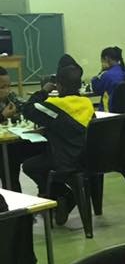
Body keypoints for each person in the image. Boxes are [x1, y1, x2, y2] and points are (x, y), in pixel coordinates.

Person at [21, 63, 94, 222]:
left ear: (59, 86)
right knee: (45, 162)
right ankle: (60, 198)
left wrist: (43, 91)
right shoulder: (87, 103)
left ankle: (64, 195)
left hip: (65, 160)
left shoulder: (55, 105)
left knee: (30, 166)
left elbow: (28, 109)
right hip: (86, 159)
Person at [90, 46, 125, 111]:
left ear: (106, 58)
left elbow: (96, 89)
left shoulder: (107, 75)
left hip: (111, 112)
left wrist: (101, 71)